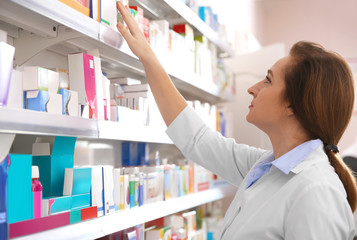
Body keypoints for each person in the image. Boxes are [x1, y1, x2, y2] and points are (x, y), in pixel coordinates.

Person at [116, 2, 357, 239]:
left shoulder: (316, 192)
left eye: (268, 80)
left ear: (293, 104)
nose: (252, 88)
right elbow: (198, 140)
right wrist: (148, 57)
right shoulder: (265, 167)